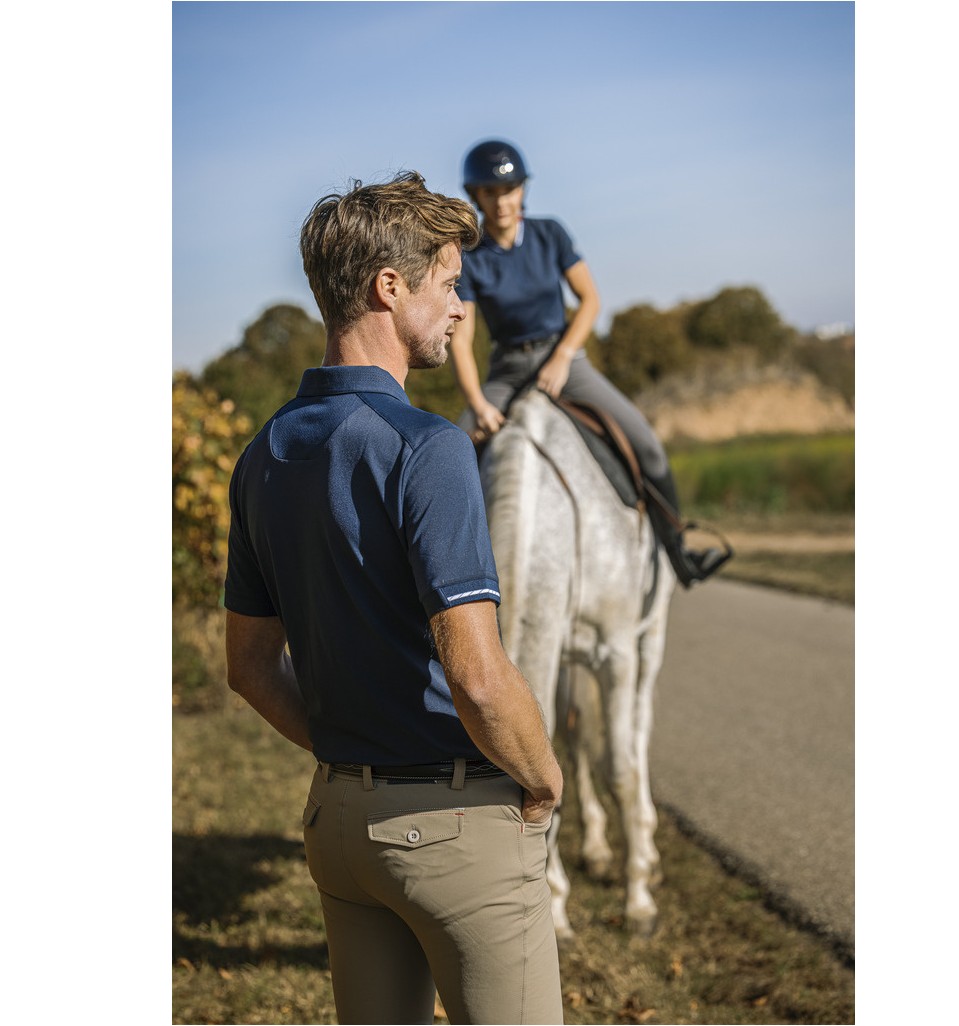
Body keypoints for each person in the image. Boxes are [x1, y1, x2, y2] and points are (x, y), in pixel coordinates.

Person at [223, 171, 564, 1025]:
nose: (460, 309)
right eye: (448, 285)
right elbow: (479, 679)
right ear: (389, 287)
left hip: (338, 826)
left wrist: (352, 759)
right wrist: (543, 777)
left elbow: (250, 669)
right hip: (453, 834)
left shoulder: (261, 456)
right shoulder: (427, 448)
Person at [449, 138, 729, 588]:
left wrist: (562, 357)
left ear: (523, 190)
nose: (502, 201)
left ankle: (679, 552)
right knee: (450, 456)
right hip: (507, 370)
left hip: (566, 360)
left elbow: (591, 300)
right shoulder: (470, 257)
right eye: (490, 192)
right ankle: (434, 589)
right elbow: (461, 341)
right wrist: (478, 403)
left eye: (510, 190)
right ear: (476, 196)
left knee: (646, 442)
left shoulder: (550, 234)